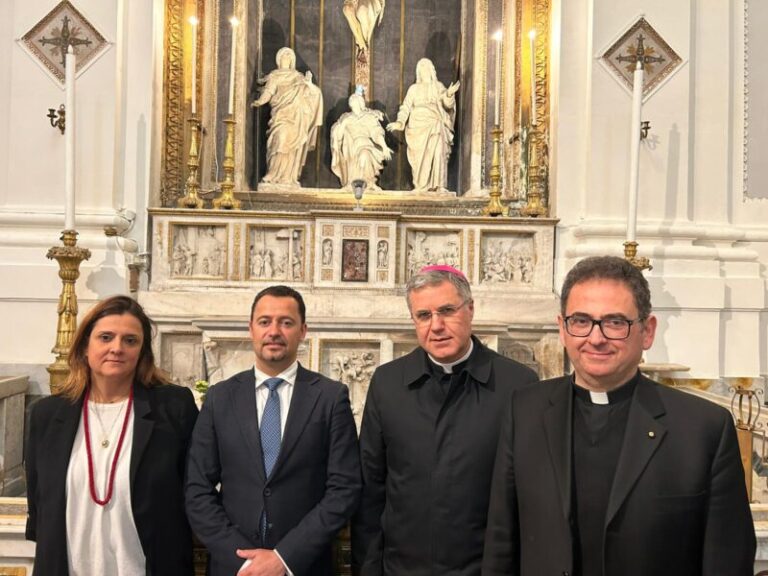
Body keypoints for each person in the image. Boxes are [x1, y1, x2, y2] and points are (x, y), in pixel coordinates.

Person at [482, 256, 756, 576]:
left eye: (615, 322)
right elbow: (502, 541)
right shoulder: (525, 411)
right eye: (581, 321)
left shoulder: (703, 429)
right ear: (563, 328)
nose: (596, 338)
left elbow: (728, 559)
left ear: (647, 331)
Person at [352, 265, 539, 576]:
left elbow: (529, 495)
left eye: (447, 311)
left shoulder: (517, 384)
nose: (436, 325)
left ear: (470, 310)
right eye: (423, 315)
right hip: (402, 569)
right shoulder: (387, 382)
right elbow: (370, 490)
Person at [186, 285, 361, 576]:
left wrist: (284, 558)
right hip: (235, 567)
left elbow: (344, 488)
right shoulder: (220, 397)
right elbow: (197, 489)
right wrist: (243, 559)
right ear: (251, 329)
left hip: (303, 565)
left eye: (286, 322)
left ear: (303, 331)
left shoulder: (330, 397)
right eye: (265, 321)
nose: (274, 331)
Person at [25, 295, 198, 575]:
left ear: (142, 351)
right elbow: (39, 501)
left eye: (130, 340)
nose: (117, 348)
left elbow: (192, 491)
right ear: (84, 346)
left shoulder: (173, 408)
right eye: (105, 337)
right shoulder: (47, 415)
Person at [252, 47, 323, 186]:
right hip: (281, 116)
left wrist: (309, 84)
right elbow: (269, 92)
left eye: (289, 55)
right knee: (280, 138)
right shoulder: (274, 76)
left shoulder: (299, 77)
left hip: (296, 118)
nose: (286, 56)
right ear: (278, 59)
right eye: (284, 54)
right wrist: (259, 101)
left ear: (292, 60)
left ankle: (288, 178)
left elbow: (315, 94)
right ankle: (273, 174)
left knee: (292, 146)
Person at [387, 58, 459, 192]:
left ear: (432, 70)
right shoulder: (414, 89)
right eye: (421, 68)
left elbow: (448, 105)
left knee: (438, 150)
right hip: (417, 127)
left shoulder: (438, 86)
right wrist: (400, 121)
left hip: (435, 122)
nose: (424, 70)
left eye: (427, 67)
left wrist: (449, 94)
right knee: (420, 159)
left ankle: (440, 185)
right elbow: (406, 107)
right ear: (418, 72)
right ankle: (421, 185)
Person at [330, 92, 392, 191]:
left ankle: (369, 183)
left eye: (355, 103)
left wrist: (384, 147)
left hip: (366, 145)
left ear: (360, 104)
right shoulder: (346, 117)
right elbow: (338, 136)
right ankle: (352, 183)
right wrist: (343, 125)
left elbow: (376, 133)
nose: (353, 106)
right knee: (355, 159)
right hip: (351, 147)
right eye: (352, 104)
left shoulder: (369, 117)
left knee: (364, 155)